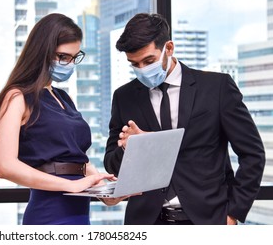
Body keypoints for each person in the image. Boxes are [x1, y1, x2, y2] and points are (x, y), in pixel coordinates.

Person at [104, 13, 266, 225]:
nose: (142, 70)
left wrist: (233, 212)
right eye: (134, 64)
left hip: (208, 220)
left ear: (168, 48)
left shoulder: (217, 88)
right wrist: (129, 148)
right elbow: (111, 164)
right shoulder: (124, 97)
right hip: (147, 223)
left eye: (149, 60)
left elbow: (252, 154)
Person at [0, 13, 121, 225]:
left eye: (74, 58)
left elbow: (77, 158)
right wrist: (70, 185)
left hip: (79, 212)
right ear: (42, 52)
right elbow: (5, 166)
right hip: (49, 213)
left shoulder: (63, 98)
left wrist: (103, 190)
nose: (69, 64)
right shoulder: (17, 97)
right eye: (62, 57)